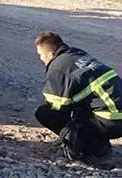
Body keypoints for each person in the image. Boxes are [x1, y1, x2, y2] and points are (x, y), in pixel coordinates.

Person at [34, 31, 122, 162]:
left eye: (40, 55)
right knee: (79, 107)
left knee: (45, 113)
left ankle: (91, 149)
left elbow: (57, 107)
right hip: (115, 114)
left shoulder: (58, 67)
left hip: (112, 121)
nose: (41, 59)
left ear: (50, 54)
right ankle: (96, 140)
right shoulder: (77, 54)